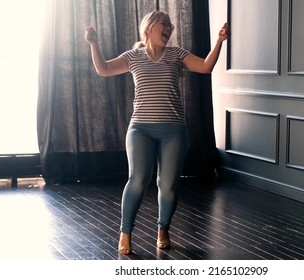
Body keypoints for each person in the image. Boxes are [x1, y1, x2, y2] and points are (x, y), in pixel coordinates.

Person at [84, 11, 230, 255]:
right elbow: (104, 69)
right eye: (165, 25)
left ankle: (163, 229)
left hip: (174, 130)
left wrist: (219, 42)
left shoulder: (177, 54)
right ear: (149, 27)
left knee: (168, 184)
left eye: (171, 26)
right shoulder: (133, 57)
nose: (169, 29)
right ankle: (126, 232)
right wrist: (94, 43)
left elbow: (205, 67)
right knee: (138, 179)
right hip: (141, 128)